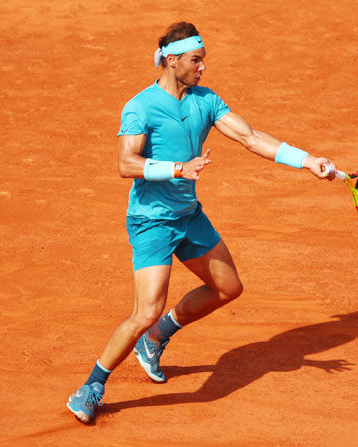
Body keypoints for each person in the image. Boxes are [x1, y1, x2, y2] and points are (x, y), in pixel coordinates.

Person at [66, 21, 335, 424]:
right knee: (146, 310)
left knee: (228, 288)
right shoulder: (140, 106)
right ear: (171, 61)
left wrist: (307, 160)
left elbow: (251, 137)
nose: (202, 67)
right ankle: (92, 386)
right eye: (195, 60)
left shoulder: (205, 101)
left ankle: (156, 340)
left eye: (203, 60)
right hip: (152, 221)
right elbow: (126, 164)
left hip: (189, 217)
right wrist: (176, 168)